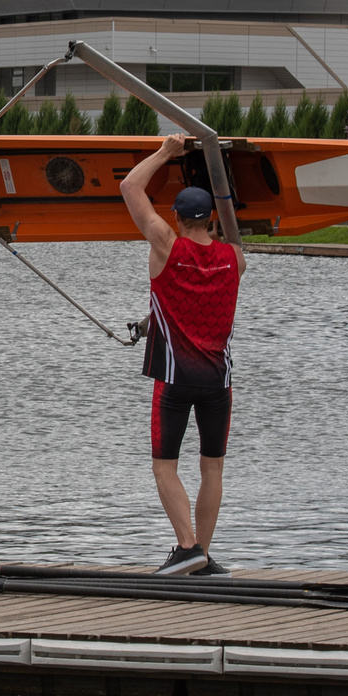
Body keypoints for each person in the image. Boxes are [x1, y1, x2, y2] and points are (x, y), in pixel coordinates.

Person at [121, 136, 245, 575]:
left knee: (164, 467)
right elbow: (230, 234)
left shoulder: (166, 247)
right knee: (212, 468)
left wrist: (166, 153)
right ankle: (203, 557)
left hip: (174, 380)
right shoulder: (235, 260)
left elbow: (130, 189)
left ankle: (187, 547)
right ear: (211, 219)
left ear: (175, 217)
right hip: (218, 383)